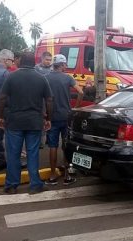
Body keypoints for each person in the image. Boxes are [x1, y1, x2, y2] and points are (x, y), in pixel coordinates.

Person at [0, 52, 53, 194]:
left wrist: (0, 116)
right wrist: (48, 119)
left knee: (13, 154)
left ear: (20, 61)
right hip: (34, 122)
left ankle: (11, 185)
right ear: (34, 62)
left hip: (15, 122)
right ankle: (35, 184)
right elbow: (49, 100)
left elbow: (2, 98)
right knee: (33, 153)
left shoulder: (11, 77)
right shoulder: (41, 78)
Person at [44, 54, 84, 185]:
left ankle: (52, 175)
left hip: (52, 117)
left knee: (52, 146)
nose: (66, 66)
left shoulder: (46, 78)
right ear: (61, 65)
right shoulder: (68, 78)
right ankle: (67, 175)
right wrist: (75, 108)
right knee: (66, 145)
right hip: (66, 116)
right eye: (65, 64)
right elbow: (81, 92)